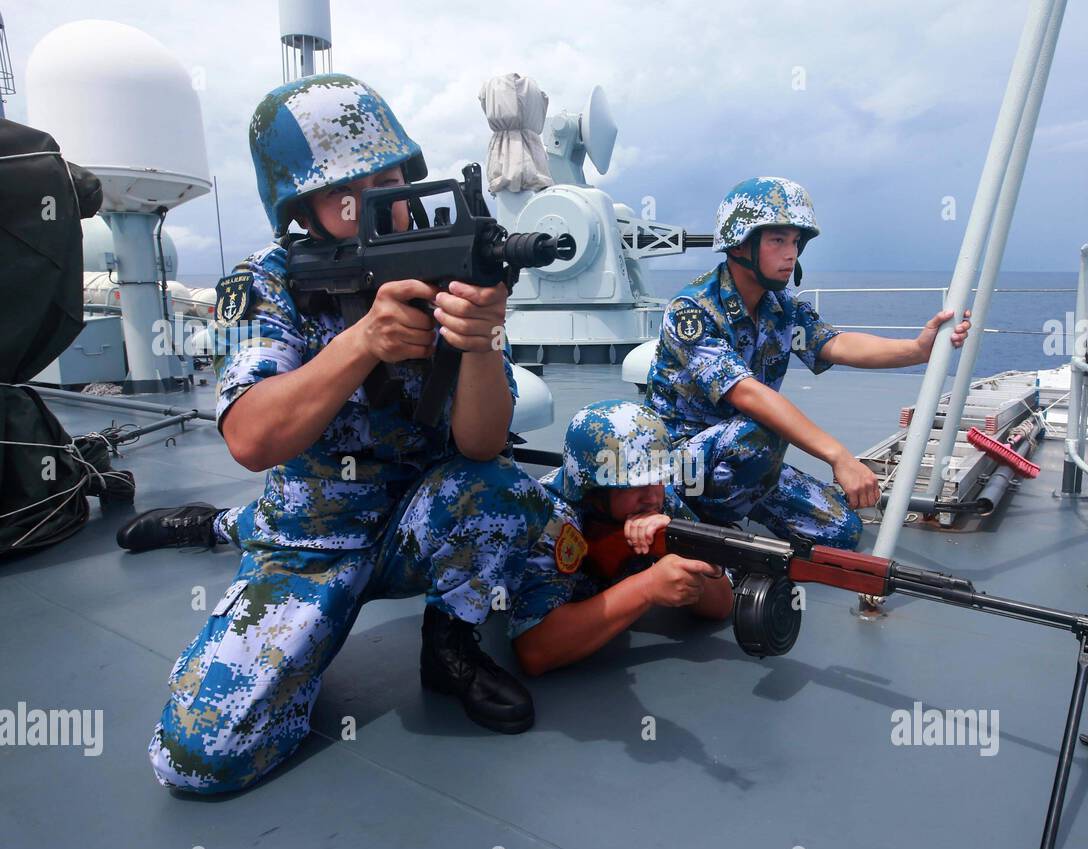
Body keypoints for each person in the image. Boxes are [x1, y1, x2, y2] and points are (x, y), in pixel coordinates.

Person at [128, 73, 553, 794]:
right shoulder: (272, 281)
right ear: (299, 207)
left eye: (390, 178)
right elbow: (251, 439)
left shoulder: (448, 260)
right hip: (310, 537)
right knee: (200, 757)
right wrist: (363, 341)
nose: (379, 203)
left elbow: (482, 445)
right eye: (346, 192)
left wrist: (478, 342)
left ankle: (449, 646)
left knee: (505, 492)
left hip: (416, 517)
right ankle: (225, 525)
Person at [645, 176, 970, 550]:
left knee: (841, 532)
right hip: (678, 463)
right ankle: (692, 516)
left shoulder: (781, 306)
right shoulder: (693, 311)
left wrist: (917, 350)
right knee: (763, 428)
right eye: (778, 240)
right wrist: (839, 456)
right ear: (741, 245)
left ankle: (736, 507)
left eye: (796, 242)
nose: (791, 254)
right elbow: (748, 395)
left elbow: (836, 344)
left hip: (744, 457)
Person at [508, 400, 733, 676]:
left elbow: (721, 604)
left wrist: (676, 545)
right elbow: (535, 650)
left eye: (659, 478)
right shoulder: (550, 519)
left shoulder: (657, 503)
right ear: (594, 490)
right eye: (634, 484)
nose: (652, 496)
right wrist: (647, 588)